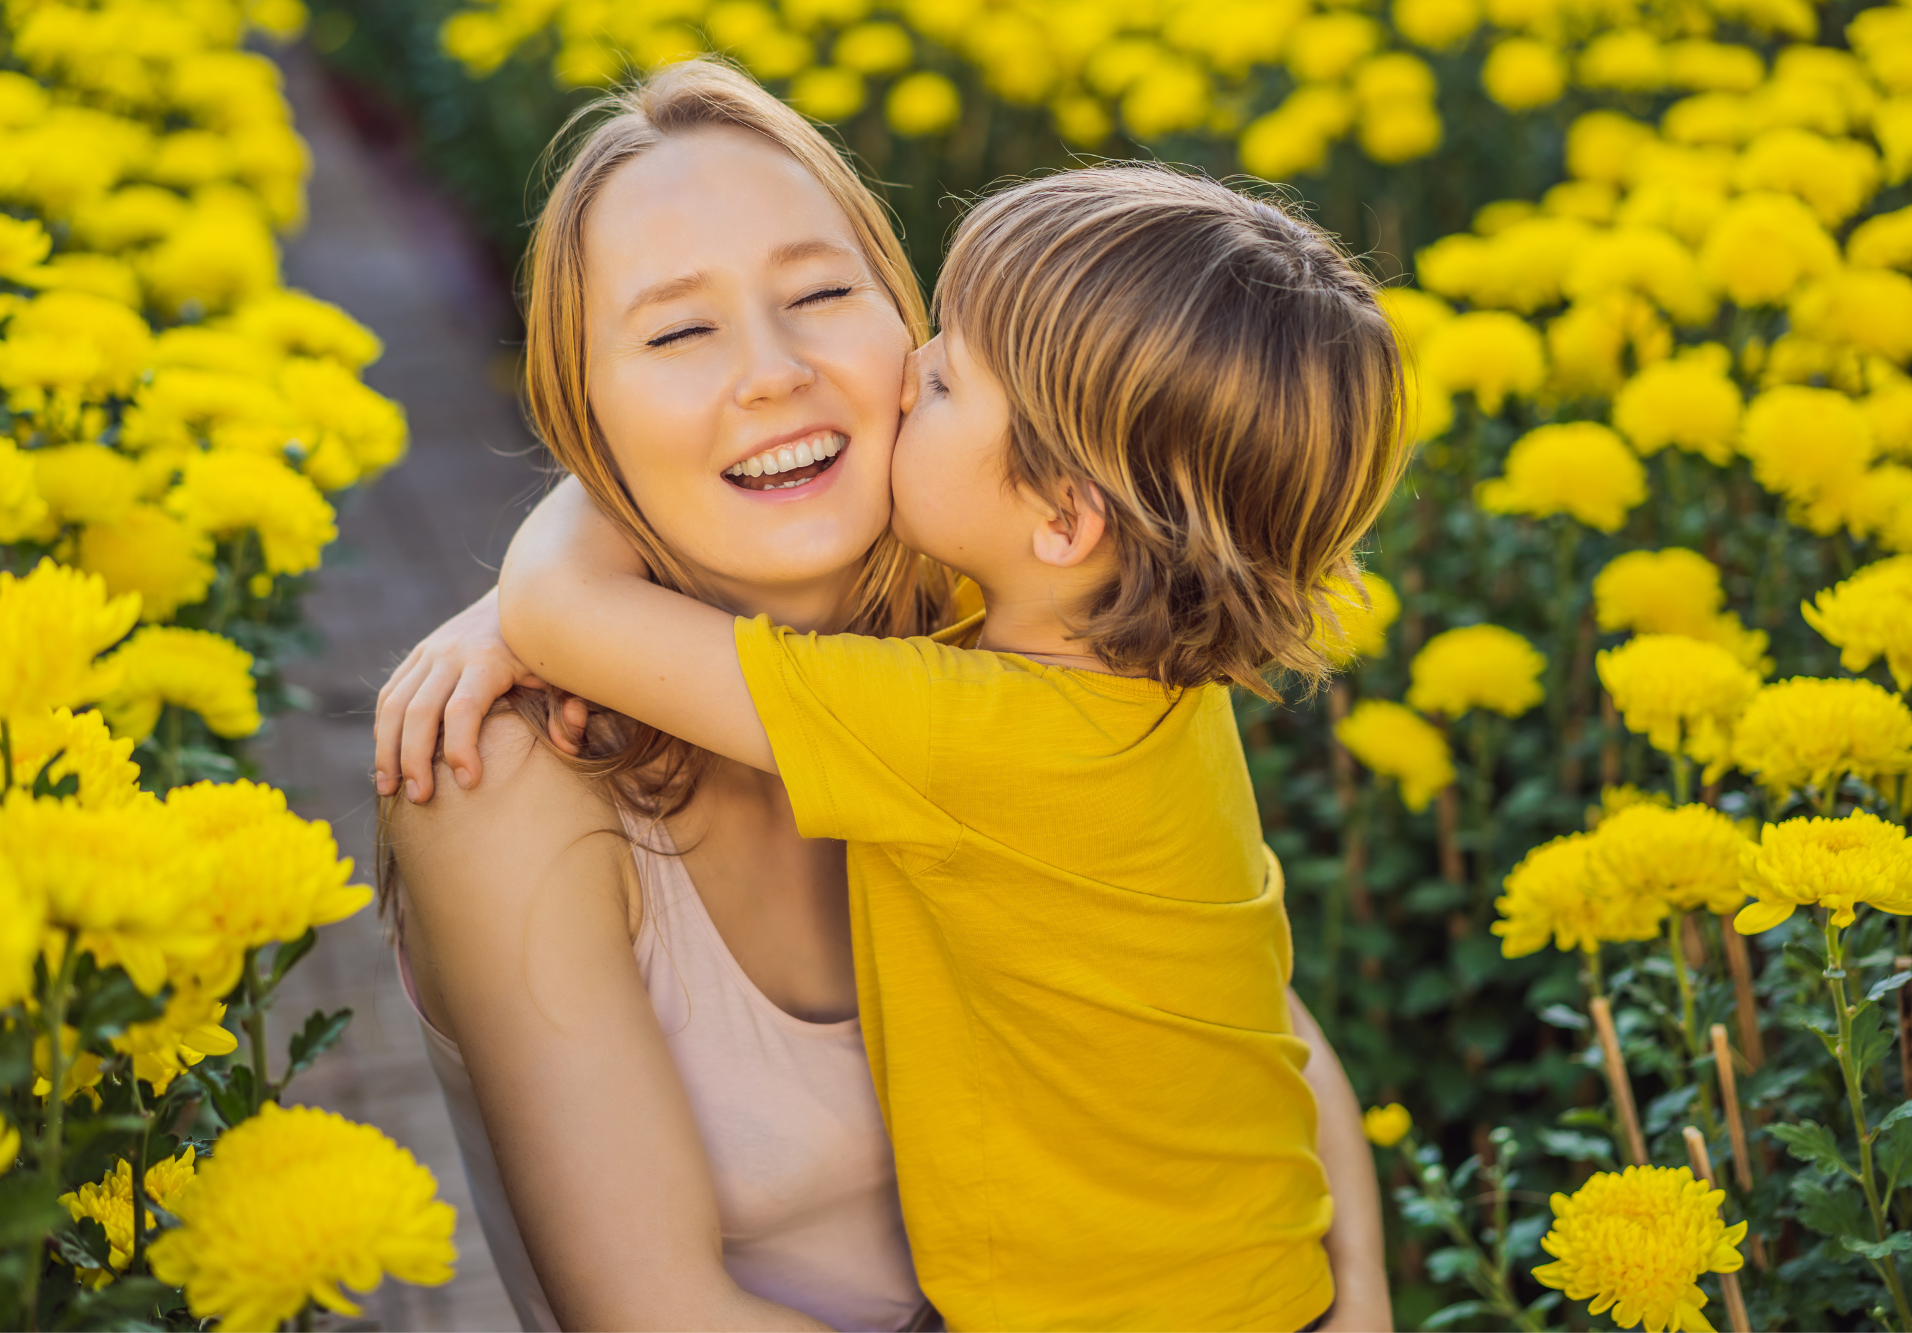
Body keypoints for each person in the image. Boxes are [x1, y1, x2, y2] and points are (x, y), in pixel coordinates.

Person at [375, 61, 1389, 1333]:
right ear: (582, 404)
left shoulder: (968, 661)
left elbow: (1263, 1033)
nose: (775, 373)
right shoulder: (511, 775)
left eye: (820, 294)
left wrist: (582, 543)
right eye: (678, 332)